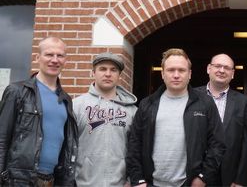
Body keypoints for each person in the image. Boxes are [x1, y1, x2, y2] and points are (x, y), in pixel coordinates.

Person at [126, 48, 225, 187]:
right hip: (152, 183)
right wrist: (138, 179)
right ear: (162, 73)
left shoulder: (205, 104)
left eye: (181, 70)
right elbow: (134, 143)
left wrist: (203, 177)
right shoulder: (147, 104)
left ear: (189, 74)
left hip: (189, 183)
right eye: (171, 70)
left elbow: (218, 143)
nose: (176, 75)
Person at [0, 37, 78, 186]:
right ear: (38, 58)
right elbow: (1, 139)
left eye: (60, 55)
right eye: (49, 54)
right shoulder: (17, 91)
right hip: (19, 180)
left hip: (51, 180)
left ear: (65, 60)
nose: (55, 60)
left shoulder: (66, 99)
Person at [73, 52, 137, 187]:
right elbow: (67, 148)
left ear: (119, 75)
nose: (108, 74)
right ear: (93, 73)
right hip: (82, 183)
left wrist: (132, 179)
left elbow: (137, 149)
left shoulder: (132, 111)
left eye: (113, 70)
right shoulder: (76, 106)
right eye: (103, 69)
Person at [196, 53, 247, 186]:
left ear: (232, 73)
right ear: (209, 68)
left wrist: (240, 180)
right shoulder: (192, 97)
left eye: (226, 68)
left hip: (228, 176)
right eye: (218, 66)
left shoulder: (244, 103)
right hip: (196, 174)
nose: (221, 70)